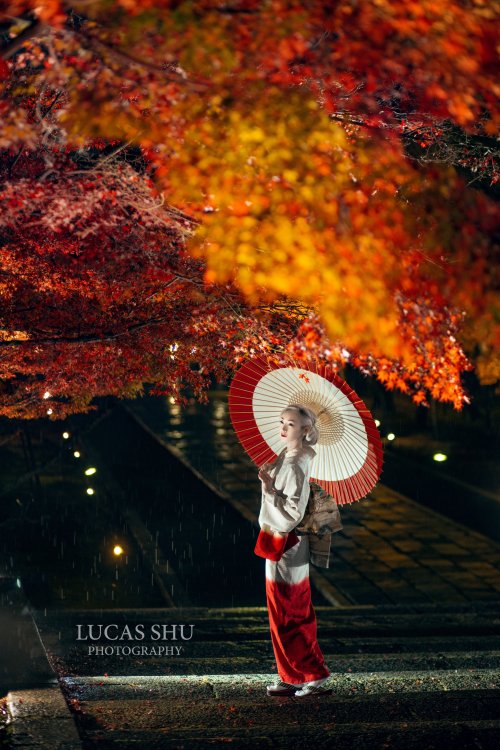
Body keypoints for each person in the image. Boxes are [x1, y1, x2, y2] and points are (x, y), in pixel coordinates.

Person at [256, 404, 331, 698]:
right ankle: (291, 674)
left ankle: (312, 673)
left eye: (290, 423)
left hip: (286, 542)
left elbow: (291, 513)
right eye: (282, 422)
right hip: (280, 541)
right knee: (282, 610)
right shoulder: (288, 457)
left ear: (306, 430)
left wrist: (269, 489)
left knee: (290, 609)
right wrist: (270, 481)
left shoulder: (296, 462)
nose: (283, 427)